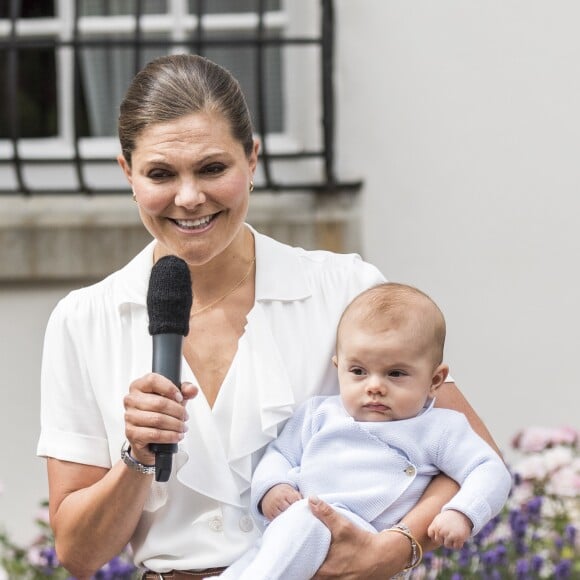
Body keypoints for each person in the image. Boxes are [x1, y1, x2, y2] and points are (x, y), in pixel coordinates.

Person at [37, 53, 503, 580]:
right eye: (161, 174)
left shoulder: (345, 290)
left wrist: (394, 549)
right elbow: (78, 552)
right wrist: (137, 456)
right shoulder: (83, 322)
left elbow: (473, 456)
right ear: (127, 173)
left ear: (252, 160)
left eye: (213, 168)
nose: (190, 198)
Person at [217, 283, 512, 580]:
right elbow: (280, 454)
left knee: (303, 523)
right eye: (358, 371)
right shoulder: (319, 414)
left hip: (363, 544)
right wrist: (272, 487)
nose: (374, 386)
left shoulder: (438, 428)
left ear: (435, 380)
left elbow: (490, 469)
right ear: (338, 368)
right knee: (260, 557)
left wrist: (461, 513)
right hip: (292, 534)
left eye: (395, 373)